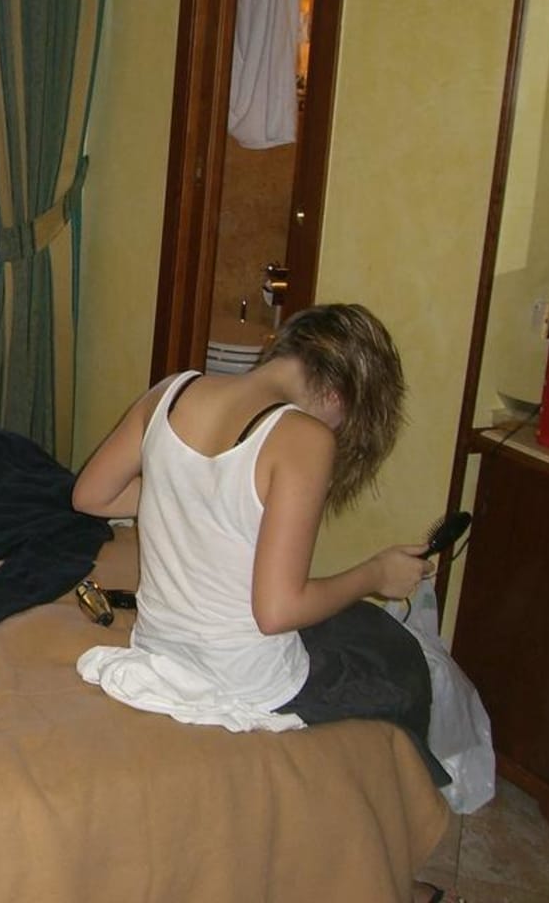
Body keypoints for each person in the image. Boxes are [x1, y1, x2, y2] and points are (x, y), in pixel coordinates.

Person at [72, 303, 454, 902]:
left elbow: (91, 496)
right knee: (400, 671)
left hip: (161, 647)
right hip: (243, 679)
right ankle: (388, 876)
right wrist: (375, 572)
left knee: (352, 626)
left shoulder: (172, 392)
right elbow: (276, 612)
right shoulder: (302, 437)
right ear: (337, 394)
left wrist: (189, 489)